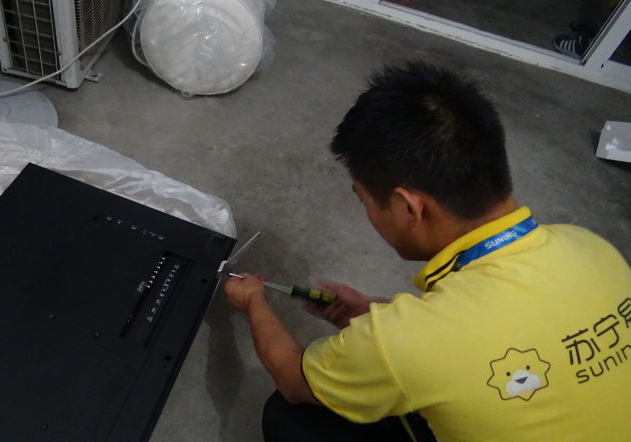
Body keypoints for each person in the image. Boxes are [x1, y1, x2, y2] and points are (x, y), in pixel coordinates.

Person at [223, 62, 631, 442]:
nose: (367, 213)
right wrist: (372, 311)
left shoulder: (405, 342)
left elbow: (294, 382)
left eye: (364, 201)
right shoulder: (590, 247)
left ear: (408, 208)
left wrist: (253, 303)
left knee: (290, 419)